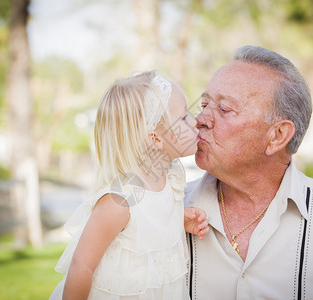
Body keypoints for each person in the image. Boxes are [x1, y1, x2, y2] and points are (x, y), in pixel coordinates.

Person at [184, 45, 313, 299]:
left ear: (278, 136)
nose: (200, 119)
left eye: (225, 109)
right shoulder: (168, 210)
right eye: (204, 104)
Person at [50, 71, 209, 300]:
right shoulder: (119, 202)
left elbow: (147, 226)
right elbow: (81, 267)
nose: (196, 121)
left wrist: (177, 221)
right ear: (155, 139)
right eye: (184, 118)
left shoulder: (171, 180)